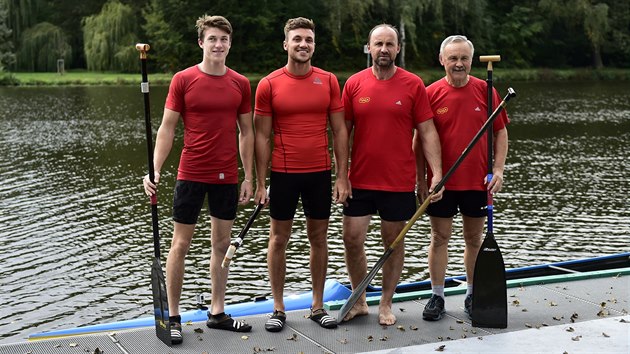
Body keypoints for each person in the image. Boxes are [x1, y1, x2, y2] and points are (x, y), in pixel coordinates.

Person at [142, 15, 254, 344]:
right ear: (201, 43)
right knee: (180, 245)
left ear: (230, 44)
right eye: (212, 39)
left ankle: (217, 313)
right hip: (190, 174)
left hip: (225, 177)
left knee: (221, 245)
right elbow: (167, 128)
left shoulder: (240, 83)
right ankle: (173, 317)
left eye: (223, 39)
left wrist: (248, 176)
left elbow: (246, 132)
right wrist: (155, 168)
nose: (218, 44)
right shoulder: (183, 79)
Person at [340, 24, 443, 326]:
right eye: (378, 43)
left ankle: (386, 303)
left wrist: (436, 173)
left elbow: (427, 131)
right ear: (368, 48)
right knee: (351, 238)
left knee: (393, 243)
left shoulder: (413, 85)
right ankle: (360, 301)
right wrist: (341, 176)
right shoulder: (354, 84)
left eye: (390, 44)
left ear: (398, 49)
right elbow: (343, 133)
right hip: (359, 179)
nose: (384, 49)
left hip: (397, 181)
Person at [253, 17, 350, 332]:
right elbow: (261, 138)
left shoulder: (329, 80)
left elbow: (339, 131)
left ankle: (317, 306)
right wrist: (259, 182)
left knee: (318, 238)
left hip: (320, 173)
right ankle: (278, 308)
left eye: (308, 39)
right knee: (278, 238)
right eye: (297, 39)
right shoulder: (269, 84)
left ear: (314, 45)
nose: (303, 44)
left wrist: (341, 176)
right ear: (286, 44)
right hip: (283, 174)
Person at [419, 35, 509, 321]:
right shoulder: (430, 93)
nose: (459, 64)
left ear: (471, 60)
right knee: (439, 236)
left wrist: (498, 170)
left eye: (464, 58)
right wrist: (422, 180)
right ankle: (437, 296)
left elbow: (501, 132)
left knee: (473, 238)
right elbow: (419, 139)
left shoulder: (487, 91)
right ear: (442, 60)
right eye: (453, 58)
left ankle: (472, 294)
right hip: (441, 183)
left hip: (477, 182)